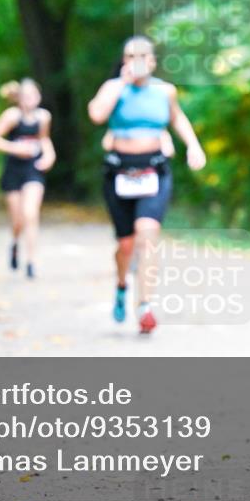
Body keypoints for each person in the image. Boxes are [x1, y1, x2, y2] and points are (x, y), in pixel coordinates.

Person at [88, 35, 206, 334]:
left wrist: (193, 146)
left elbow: (178, 119)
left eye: (142, 56)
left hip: (154, 171)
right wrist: (119, 84)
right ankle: (121, 284)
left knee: (148, 234)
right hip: (119, 173)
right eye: (130, 56)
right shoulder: (114, 89)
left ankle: (145, 306)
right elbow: (97, 115)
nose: (136, 62)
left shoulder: (165, 91)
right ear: (124, 61)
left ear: (152, 62)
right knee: (126, 244)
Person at [0, 79, 56, 279]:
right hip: (14, 170)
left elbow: (44, 139)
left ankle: (31, 261)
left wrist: (49, 156)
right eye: (25, 96)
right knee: (18, 219)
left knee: (31, 213)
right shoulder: (12, 116)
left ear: (39, 97)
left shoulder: (43, 117)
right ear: (19, 98)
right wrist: (15, 148)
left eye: (33, 95)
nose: (29, 100)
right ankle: (15, 243)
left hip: (33, 169)